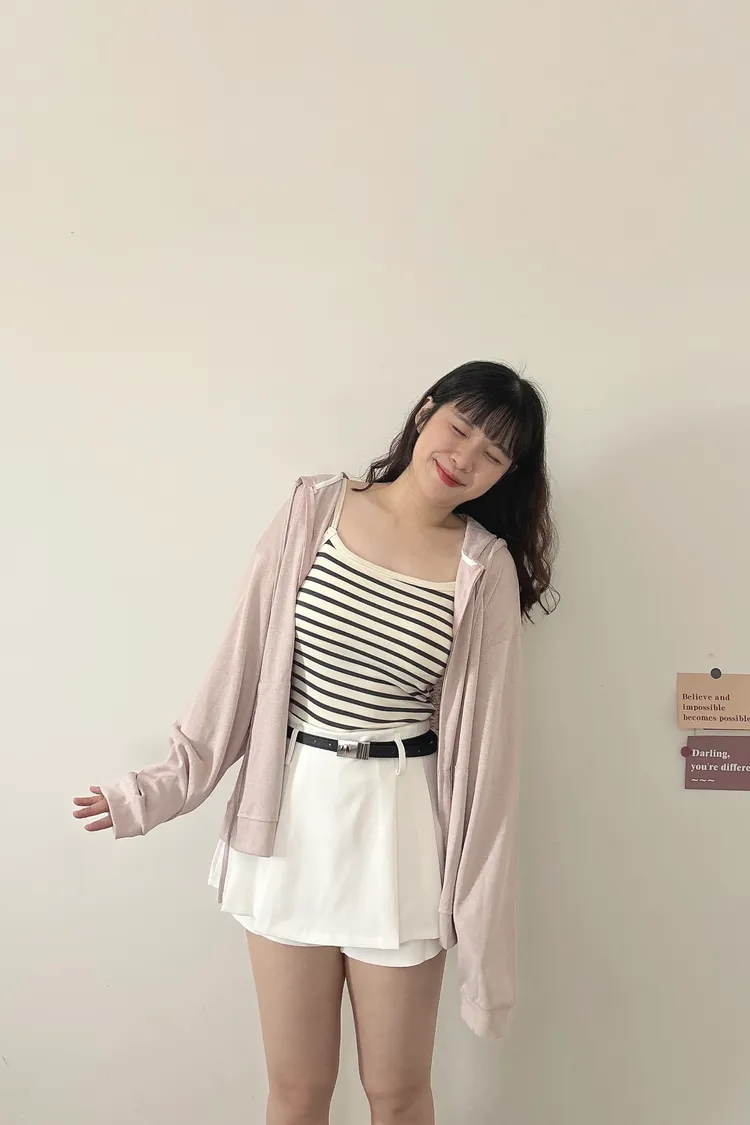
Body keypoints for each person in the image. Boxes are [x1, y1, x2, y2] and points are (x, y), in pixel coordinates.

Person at [73, 359, 558, 1125]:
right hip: (290, 823)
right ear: (426, 411)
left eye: (493, 453)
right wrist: (156, 789)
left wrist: (481, 915)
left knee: (398, 1094)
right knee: (297, 1091)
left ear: (507, 474)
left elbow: (490, 761)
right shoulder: (315, 508)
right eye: (460, 427)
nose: (464, 457)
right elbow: (240, 669)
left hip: (399, 837)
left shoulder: (484, 568)